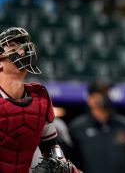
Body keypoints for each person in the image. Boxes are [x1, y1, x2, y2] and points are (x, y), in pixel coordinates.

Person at [0, 27, 79, 173]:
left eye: (22, 45)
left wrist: (67, 168)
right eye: (12, 46)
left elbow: (50, 148)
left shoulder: (39, 96)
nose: (22, 51)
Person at [69, 78, 125, 173]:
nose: (104, 97)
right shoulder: (77, 128)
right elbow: (69, 162)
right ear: (90, 99)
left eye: (107, 93)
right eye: (100, 93)